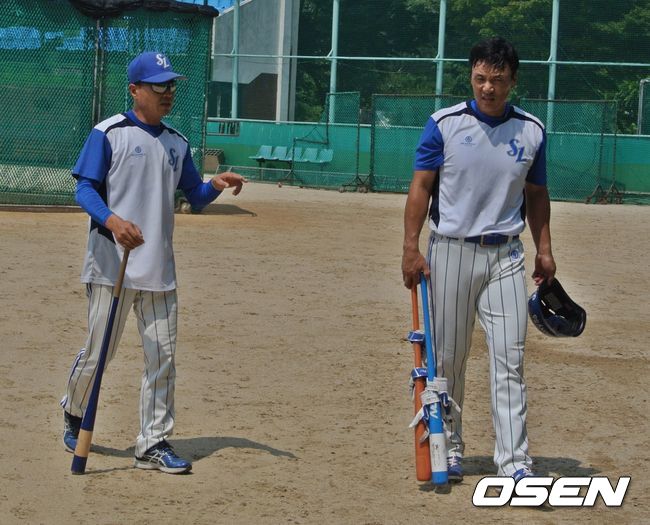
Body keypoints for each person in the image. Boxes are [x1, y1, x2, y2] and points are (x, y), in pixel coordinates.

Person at [60, 51, 247, 474]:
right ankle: (74, 410)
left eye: (171, 85)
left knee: (161, 358)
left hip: (158, 270)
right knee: (99, 352)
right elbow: (84, 189)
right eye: (159, 85)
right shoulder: (109, 133)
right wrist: (113, 221)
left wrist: (215, 185)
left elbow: (194, 195)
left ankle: (153, 442)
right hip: (111, 266)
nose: (168, 92)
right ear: (135, 89)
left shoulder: (177, 142)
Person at [401, 37, 555, 483]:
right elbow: (420, 187)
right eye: (481, 78)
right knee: (449, 359)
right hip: (450, 252)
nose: (488, 87)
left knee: (510, 358)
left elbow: (537, 194)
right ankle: (449, 446)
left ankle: (514, 462)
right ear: (471, 76)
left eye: (498, 80)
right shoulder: (444, 125)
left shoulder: (531, 130)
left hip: (506, 254)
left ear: (513, 81)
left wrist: (545, 249)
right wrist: (411, 247)